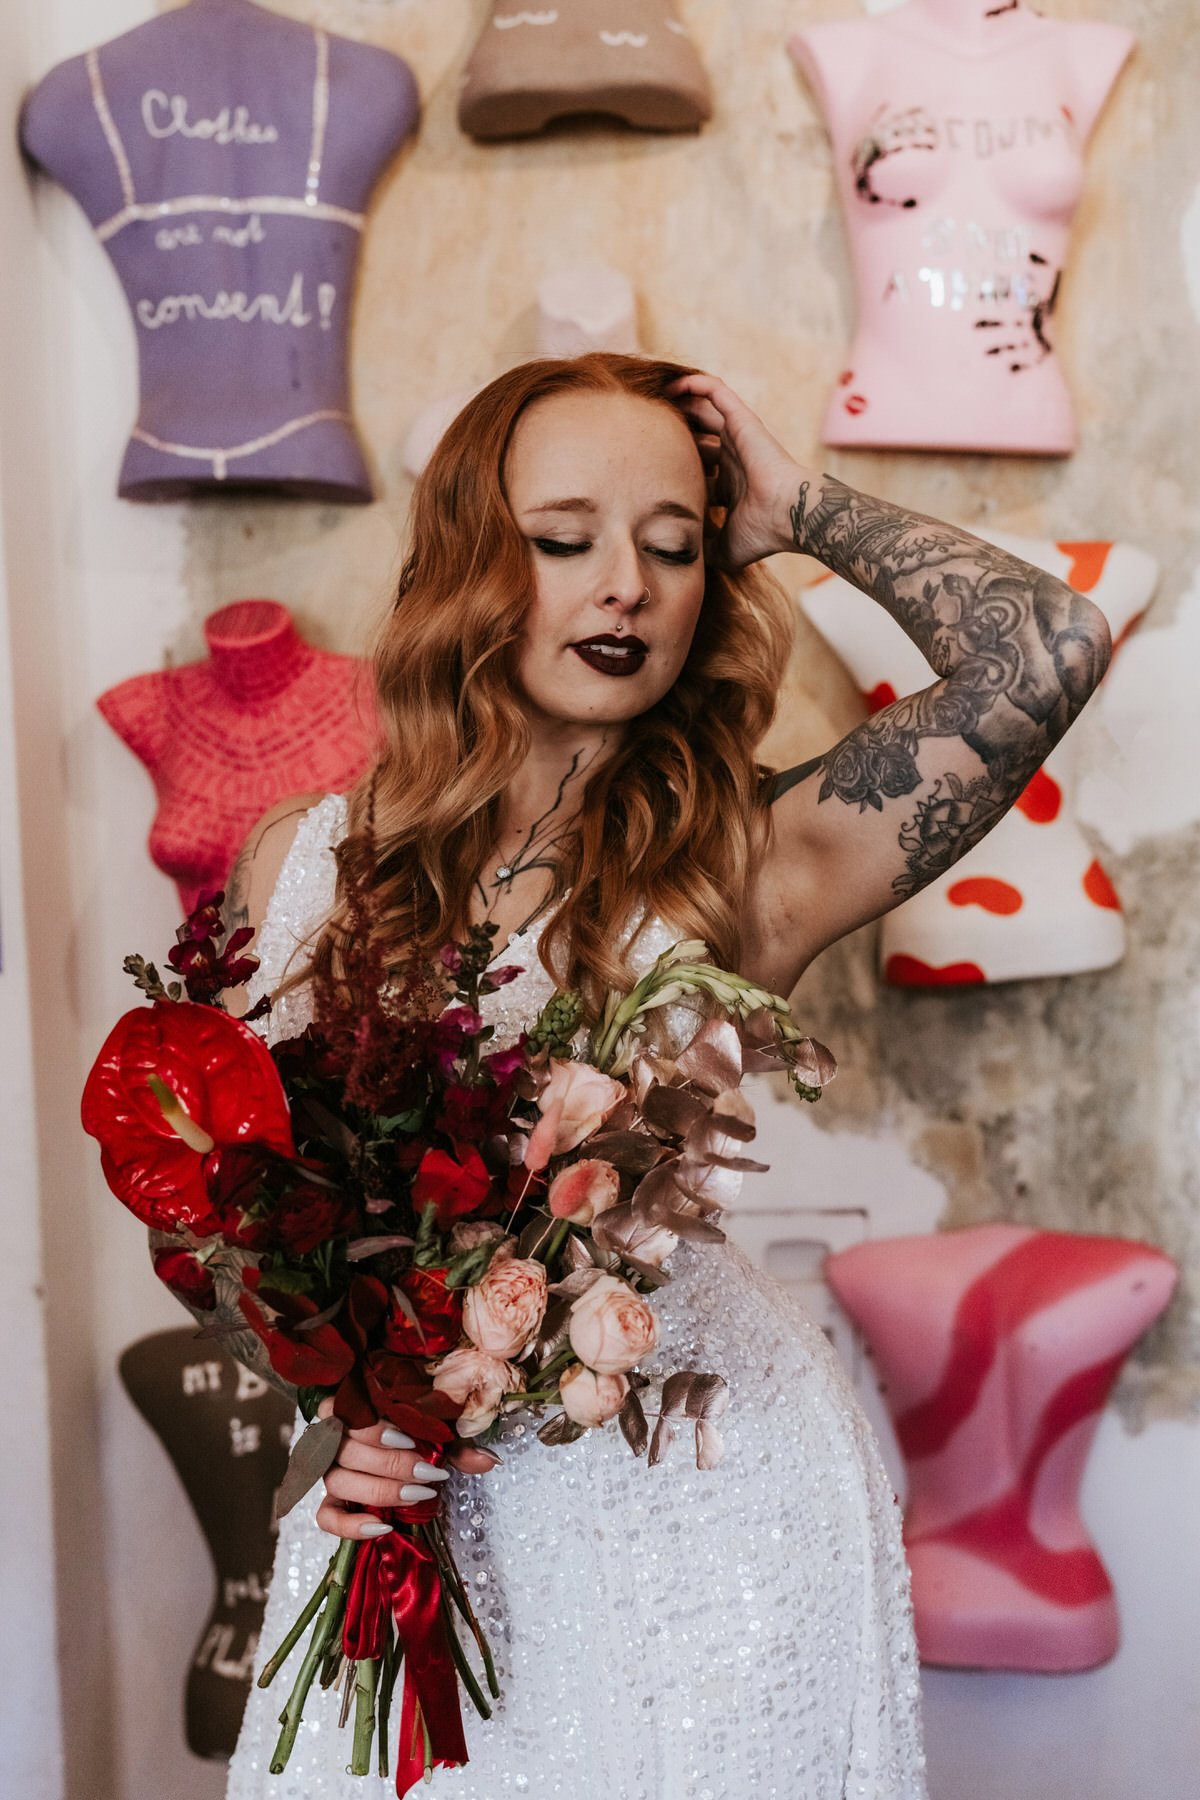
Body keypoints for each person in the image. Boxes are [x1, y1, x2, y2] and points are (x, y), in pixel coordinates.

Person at [220, 351, 1110, 1799]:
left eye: (676, 544)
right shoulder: (301, 862)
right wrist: (347, 1411)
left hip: (705, 1508)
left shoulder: (755, 863)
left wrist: (802, 505)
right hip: (405, 1512)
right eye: (565, 539)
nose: (624, 584)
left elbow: (1050, 648)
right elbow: (242, 1226)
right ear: (468, 562)